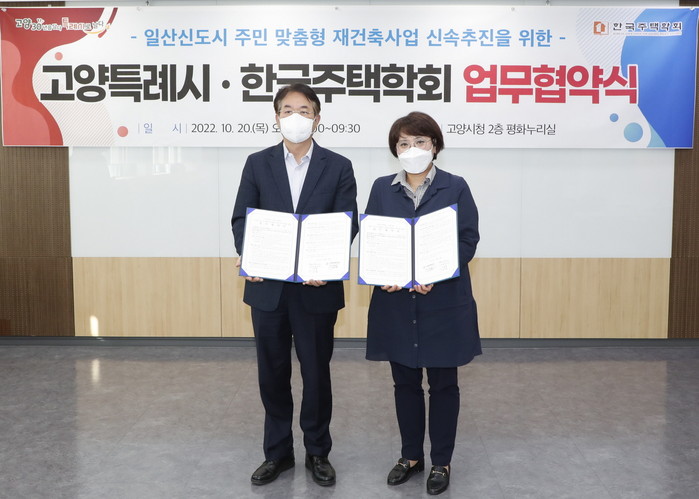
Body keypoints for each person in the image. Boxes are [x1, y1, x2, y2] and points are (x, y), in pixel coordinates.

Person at [231, 83, 358, 487]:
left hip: (316, 288)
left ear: (317, 118)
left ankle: (318, 451)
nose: (295, 117)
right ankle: (278, 452)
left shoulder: (338, 166)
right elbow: (242, 218)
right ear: (276, 117)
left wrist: (328, 262)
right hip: (268, 287)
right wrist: (250, 254)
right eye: (287, 110)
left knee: (316, 373)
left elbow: (347, 222)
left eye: (304, 110)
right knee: (271, 373)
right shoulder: (257, 163)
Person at [364, 111, 481, 495]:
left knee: (444, 385)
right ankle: (410, 456)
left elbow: (467, 239)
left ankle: (441, 461)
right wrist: (384, 273)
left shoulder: (455, 186)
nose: (412, 149)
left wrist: (438, 271)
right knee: (405, 383)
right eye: (403, 143)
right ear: (394, 149)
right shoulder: (382, 188)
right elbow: (375, 239)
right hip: (396, 303)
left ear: (435, 146)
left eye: (420, 142)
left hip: (442, 301)